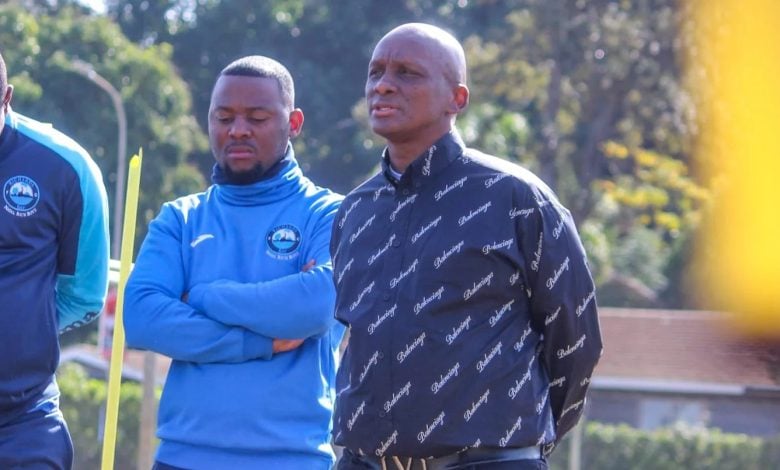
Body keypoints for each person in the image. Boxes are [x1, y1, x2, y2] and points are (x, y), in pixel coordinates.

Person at [331, 23, 603, 470]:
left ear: (457, 99)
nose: (383, 84)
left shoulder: (517, 198)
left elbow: (575, 344)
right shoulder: (356, 210)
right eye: (375, 71)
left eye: (407, 73)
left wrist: (519, 445)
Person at [124, 55, 344, 470]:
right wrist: (256, 342)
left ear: (293, 123)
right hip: (181, 457)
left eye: (257, 117)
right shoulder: (181, 218)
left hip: (291, 459)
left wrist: (204, 294)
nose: (237, 130)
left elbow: (315, 306)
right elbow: (142, 316)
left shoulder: (329, 213)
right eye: (223, 117)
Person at [0, 50, 110, 469]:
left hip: (22, 425)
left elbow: (83, 295)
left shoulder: (66, 168)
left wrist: (23, 327)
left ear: (7, 99)